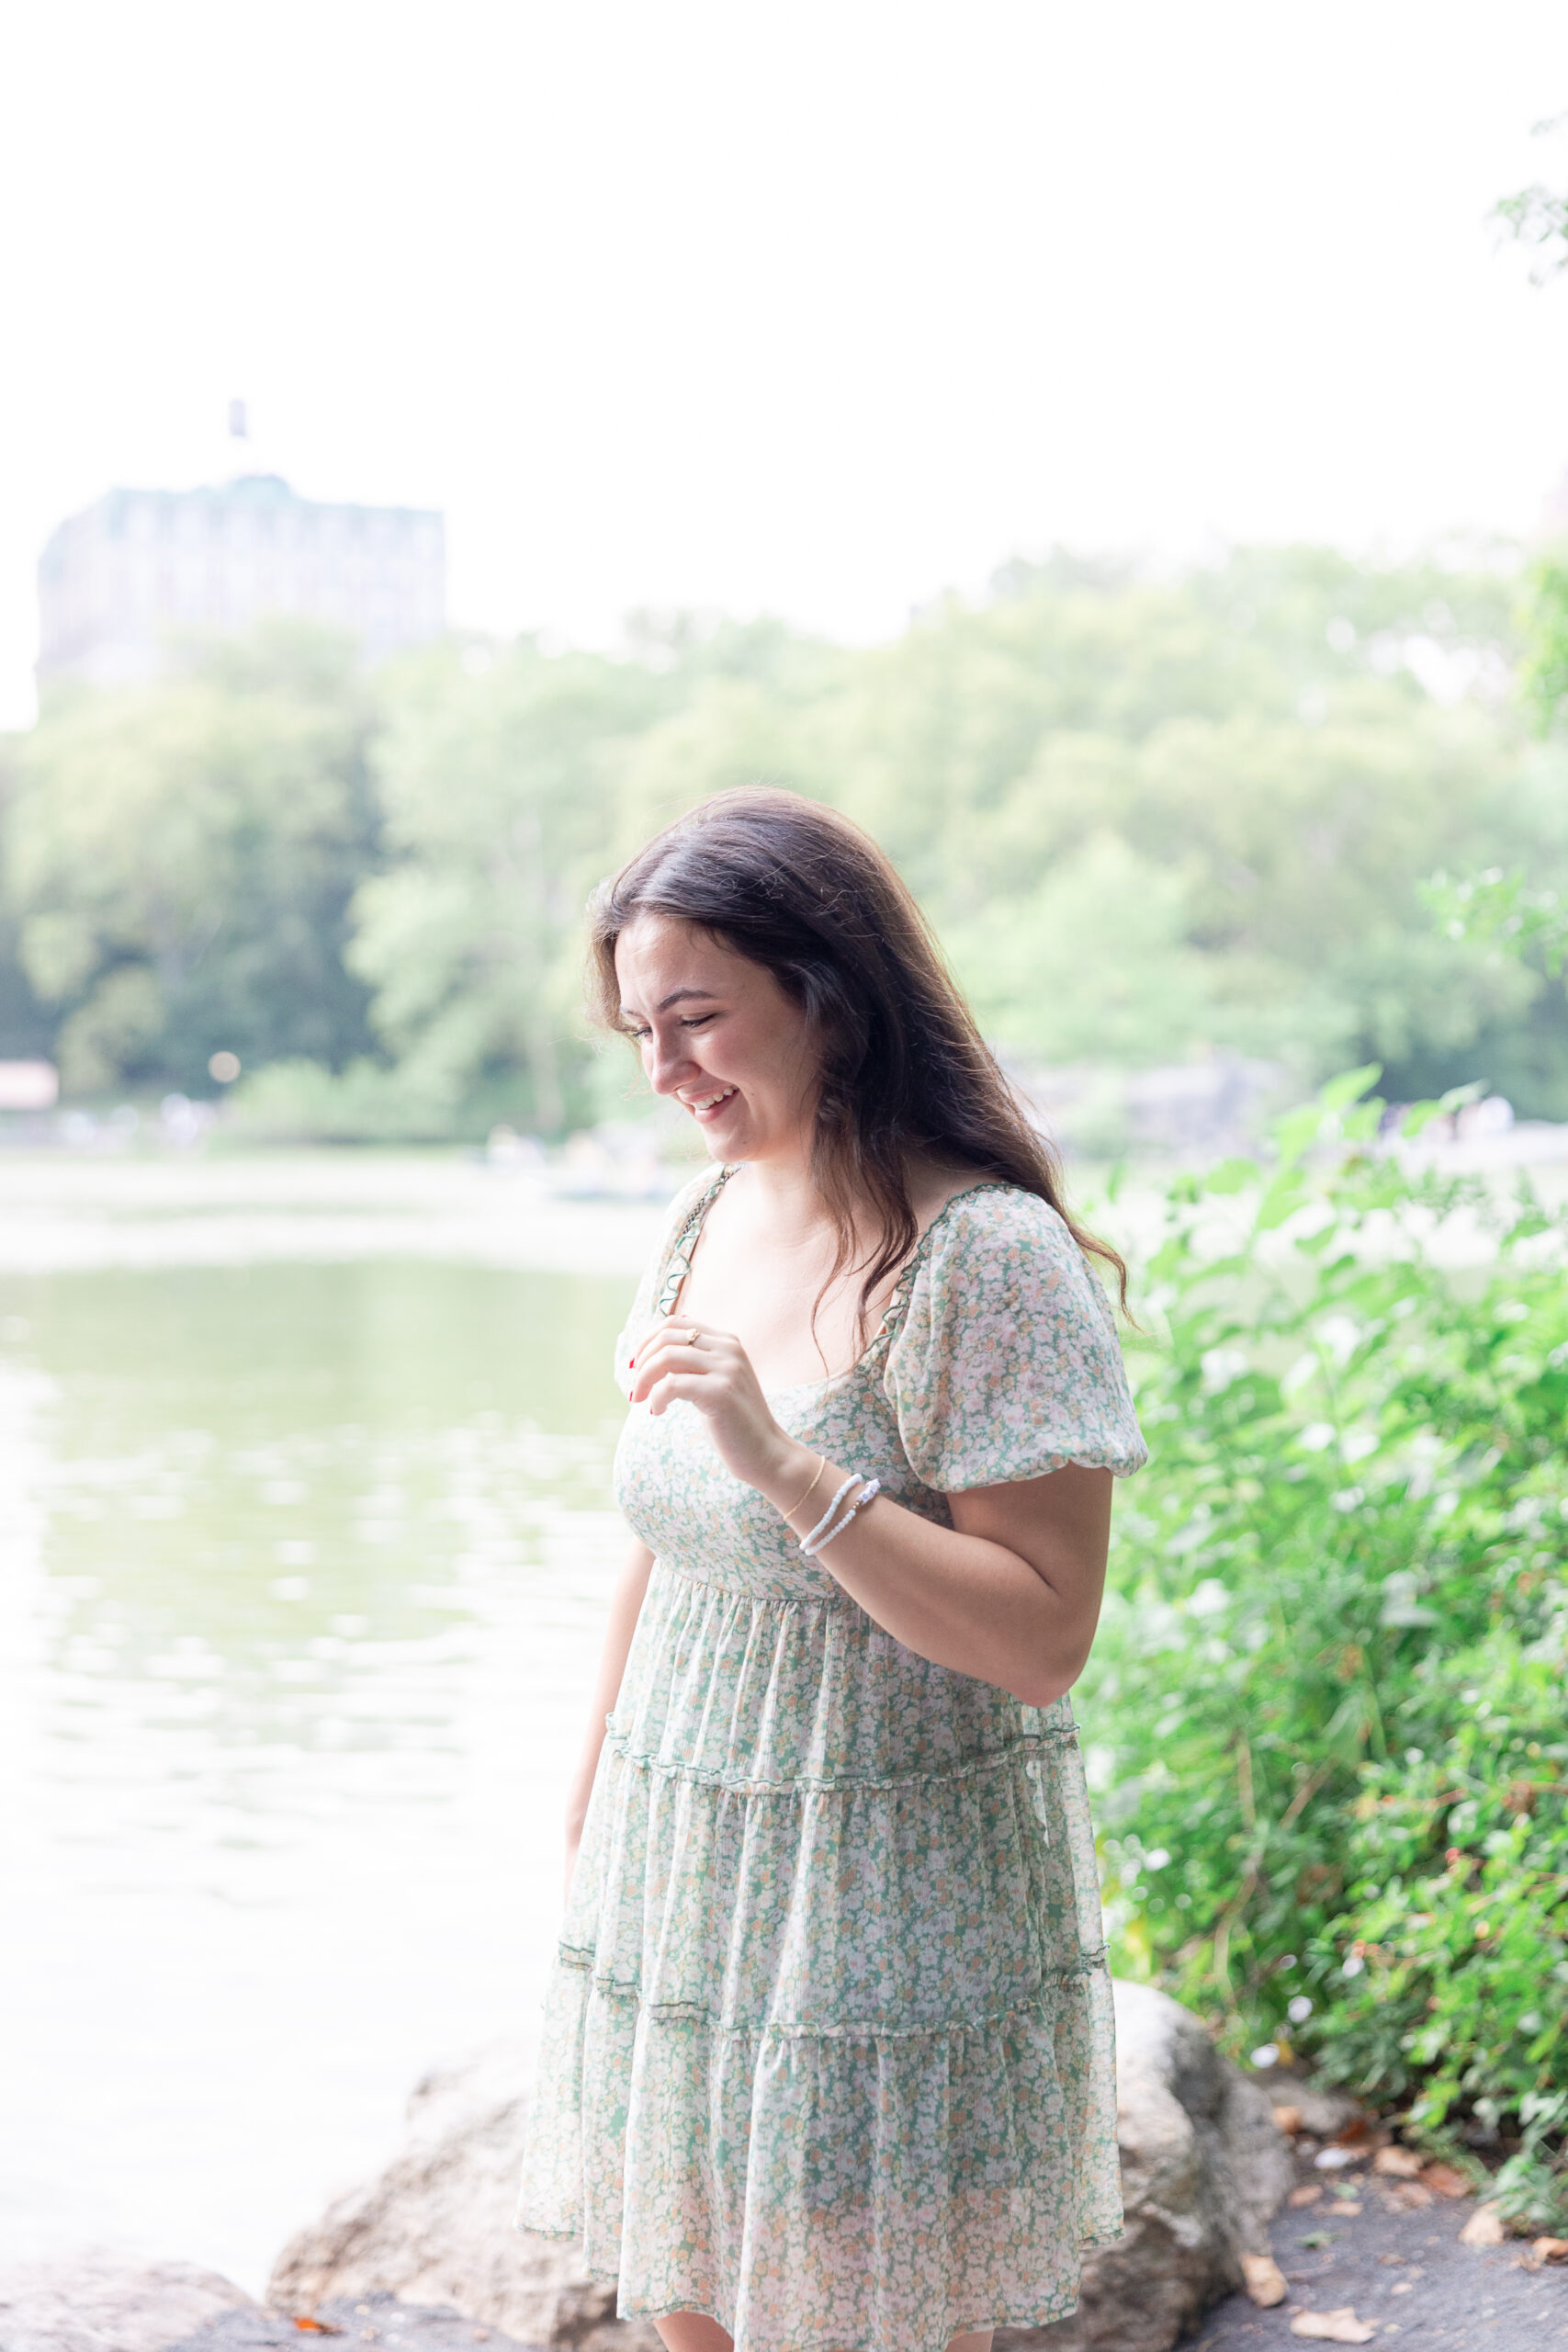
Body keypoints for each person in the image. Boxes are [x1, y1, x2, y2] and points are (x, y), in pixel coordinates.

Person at [517, 789, 1147, 2352]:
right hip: (686, 1847)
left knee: (881, 2318)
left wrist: (790, 1466)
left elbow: (1045, 1638)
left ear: (829, 993)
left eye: (696, 1019)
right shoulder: (702, 1214)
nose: (663, 1072)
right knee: (690, 2306)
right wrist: (591, 1798)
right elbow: (661, 1535)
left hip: (891, 1881)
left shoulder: (987, 1256)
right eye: (639, 1031)